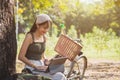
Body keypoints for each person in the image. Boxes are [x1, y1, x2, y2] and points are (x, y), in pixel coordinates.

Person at [18, 14, 67, 80]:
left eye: (47, 29)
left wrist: (46, 61)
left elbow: (42, 56)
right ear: (37, 25)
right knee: (58, 77)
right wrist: (35, 66)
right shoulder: (30, 36)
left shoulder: (44, 37)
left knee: (61, 74)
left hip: (42, 67)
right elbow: (21, 56)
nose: (46, 30)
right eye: (44, 28)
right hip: (31, 68)